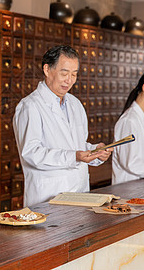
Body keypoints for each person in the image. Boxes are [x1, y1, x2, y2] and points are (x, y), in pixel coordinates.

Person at [13, 45, 112, 207]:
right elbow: (31, 153)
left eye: (74, 74)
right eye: (64, 73)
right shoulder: (30, 106)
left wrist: (95, 151)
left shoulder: (75, 104)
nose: (69, 80)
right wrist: (74, 156)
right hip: (48, 196)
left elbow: (76, 146)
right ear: (47, 70)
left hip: (80, 192)